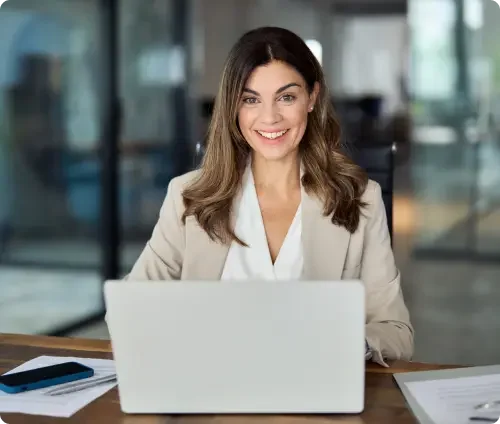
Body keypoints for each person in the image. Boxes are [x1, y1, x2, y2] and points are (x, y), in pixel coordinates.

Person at [126, 26, 414, 366]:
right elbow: (131, 307)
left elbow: (396, 331)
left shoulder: (361, 199)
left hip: (314, 393)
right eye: (251, 99)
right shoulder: (188, 195)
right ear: (233, 107)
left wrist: (348, 343)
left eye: (286, 97)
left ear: (312, 98)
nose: (270, 117)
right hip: (209, 390)